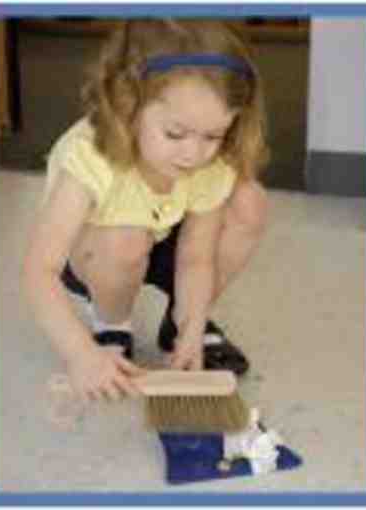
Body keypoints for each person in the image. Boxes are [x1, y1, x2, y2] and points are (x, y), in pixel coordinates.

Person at [23, 19, 269, 404]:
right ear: (128, 106)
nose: (194, 153)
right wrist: (80, 354)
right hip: (99, 251)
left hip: (164, 234)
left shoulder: (210, 161)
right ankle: (112, 323)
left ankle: (178, 324)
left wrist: (191, 327)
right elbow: (39, 270)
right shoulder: (91, 158)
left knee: (249, 201)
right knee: (126, 240)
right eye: (175, 134)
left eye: (213, 136)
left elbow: (196, 257)